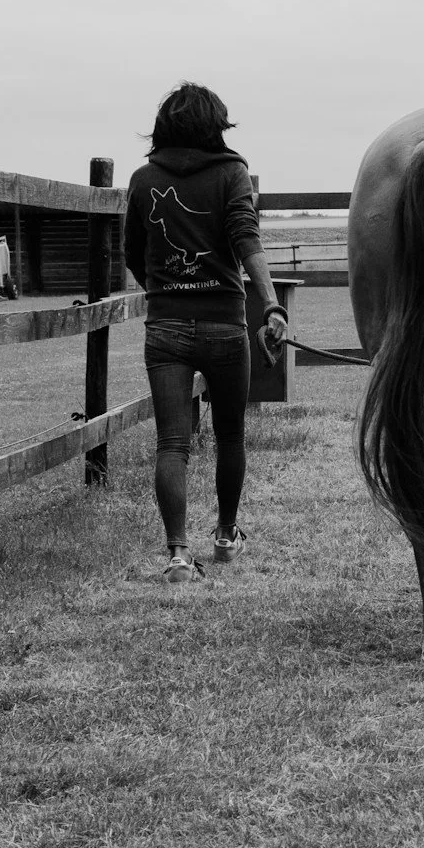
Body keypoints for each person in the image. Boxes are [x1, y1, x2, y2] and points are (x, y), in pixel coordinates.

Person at [122, 82, 290, 581]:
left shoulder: (142, 178)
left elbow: (133, 251)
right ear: (214, 126)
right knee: (230, 435)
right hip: (223, 323)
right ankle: (224, 534)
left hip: (166, 326)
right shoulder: (232, 174)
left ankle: (177, 554)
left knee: (171, 444)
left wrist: (164, 289)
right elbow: (246, 239)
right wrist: (272, 306)